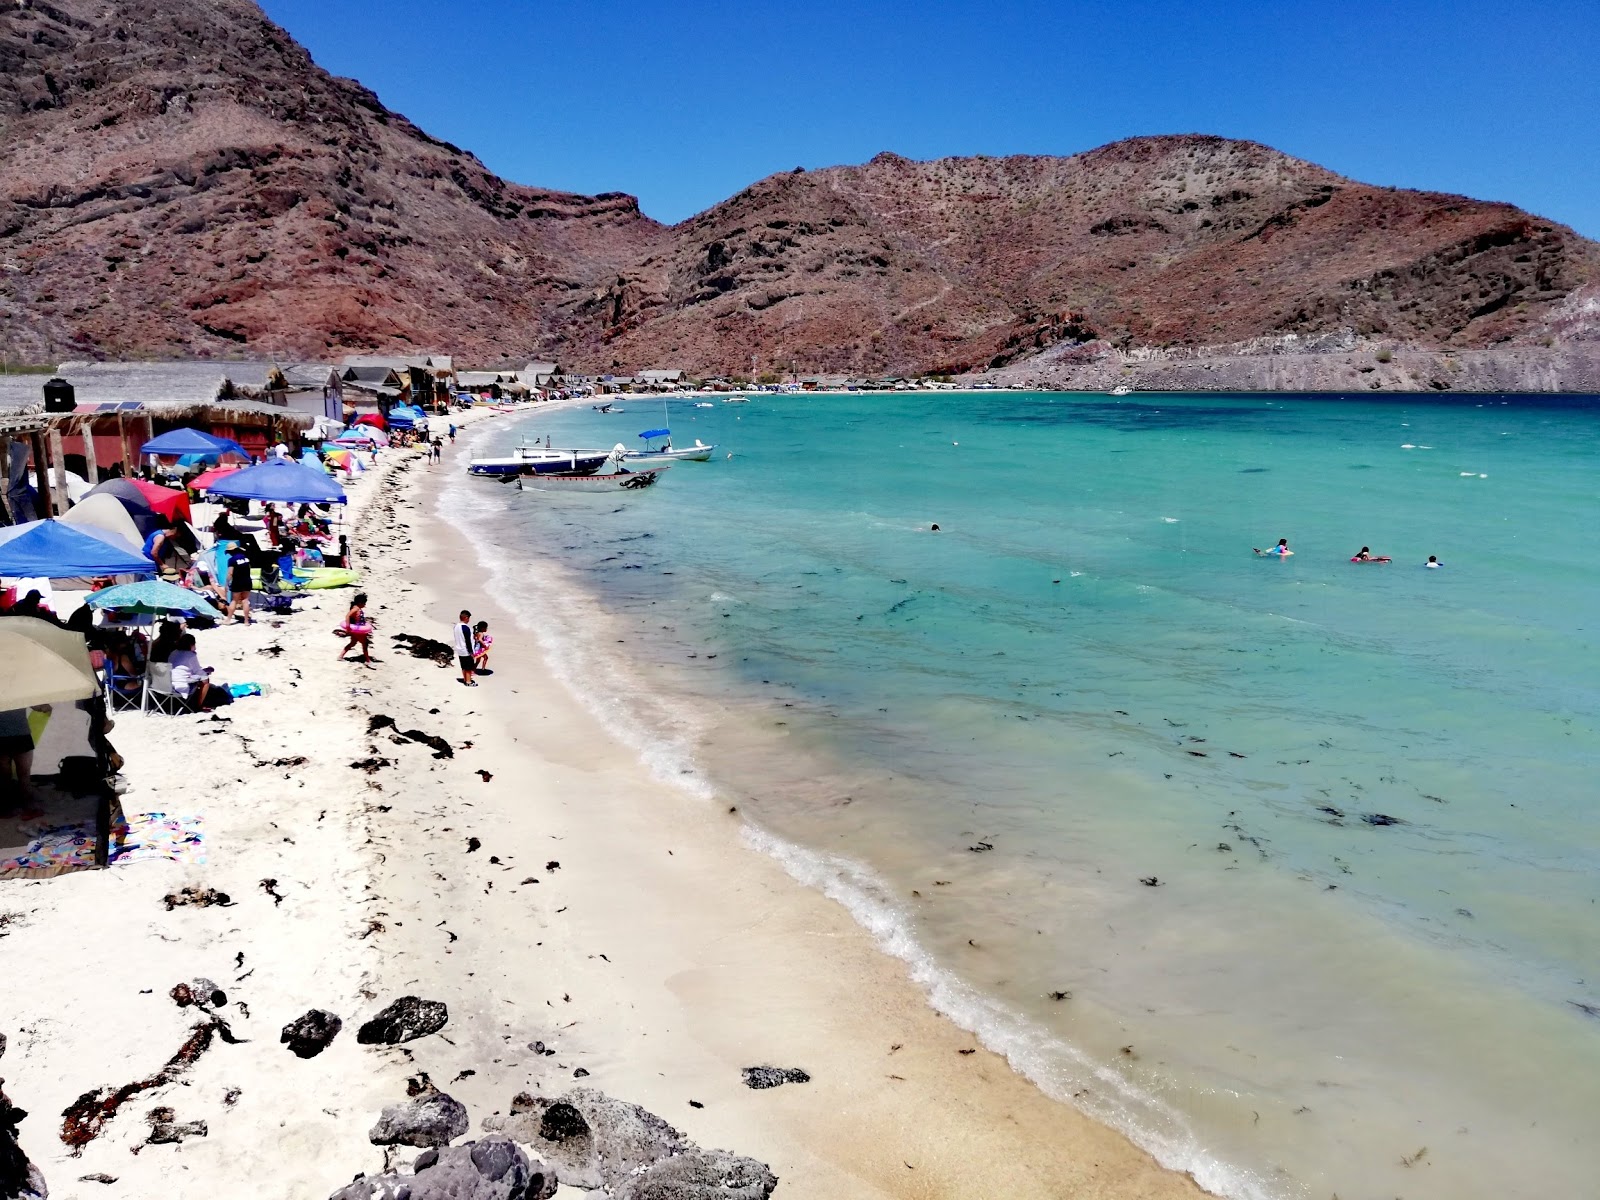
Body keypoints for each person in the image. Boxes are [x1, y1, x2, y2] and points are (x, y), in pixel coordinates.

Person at [168, 633, 232, 710]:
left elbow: (184, 669)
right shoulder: (191, 655)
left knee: (199, 678)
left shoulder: (173, 652)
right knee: (206, 681)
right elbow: (198, 672)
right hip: (182, 685)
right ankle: (200, 706)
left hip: (169, 683)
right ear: (191, 645)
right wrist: (207, 672)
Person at [0, 706, 41, 814]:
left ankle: (22, 804)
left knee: (19, 774)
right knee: (8, 775)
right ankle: (13, 806)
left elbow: (39, 705)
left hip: (20, 734)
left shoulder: (19, 689)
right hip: (14, 735)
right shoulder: (18, 689)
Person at [338, 592, 375, 666]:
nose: (365, 605)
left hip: (357, 629)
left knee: (352, 643)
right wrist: (348, 627)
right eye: (364, 603)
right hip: (358, 631)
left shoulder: (357, 608)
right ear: (360, 603)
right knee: (365, 644)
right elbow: (347, 616)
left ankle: (340, 656)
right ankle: (368, 661)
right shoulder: (356, 608)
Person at [224, 542, 253, 625]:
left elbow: (230, 573)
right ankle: (246, 621)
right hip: (247, 580)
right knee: (245, 600)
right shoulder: (245, 558)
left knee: (234, 601)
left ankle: (228, 620)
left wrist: (226, 584)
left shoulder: (232, 560)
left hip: (237, 581)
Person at [452, 609, 477, 686]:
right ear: (466, 618)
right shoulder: (465, 628)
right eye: (468, 618)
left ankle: (465, 679)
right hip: (465, 650)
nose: (469, 620)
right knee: (468, 667)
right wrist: (471, 652)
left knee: (463, 666)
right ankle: (468, 682)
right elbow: (468, 641)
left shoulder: (456, 626)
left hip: (459, 649)